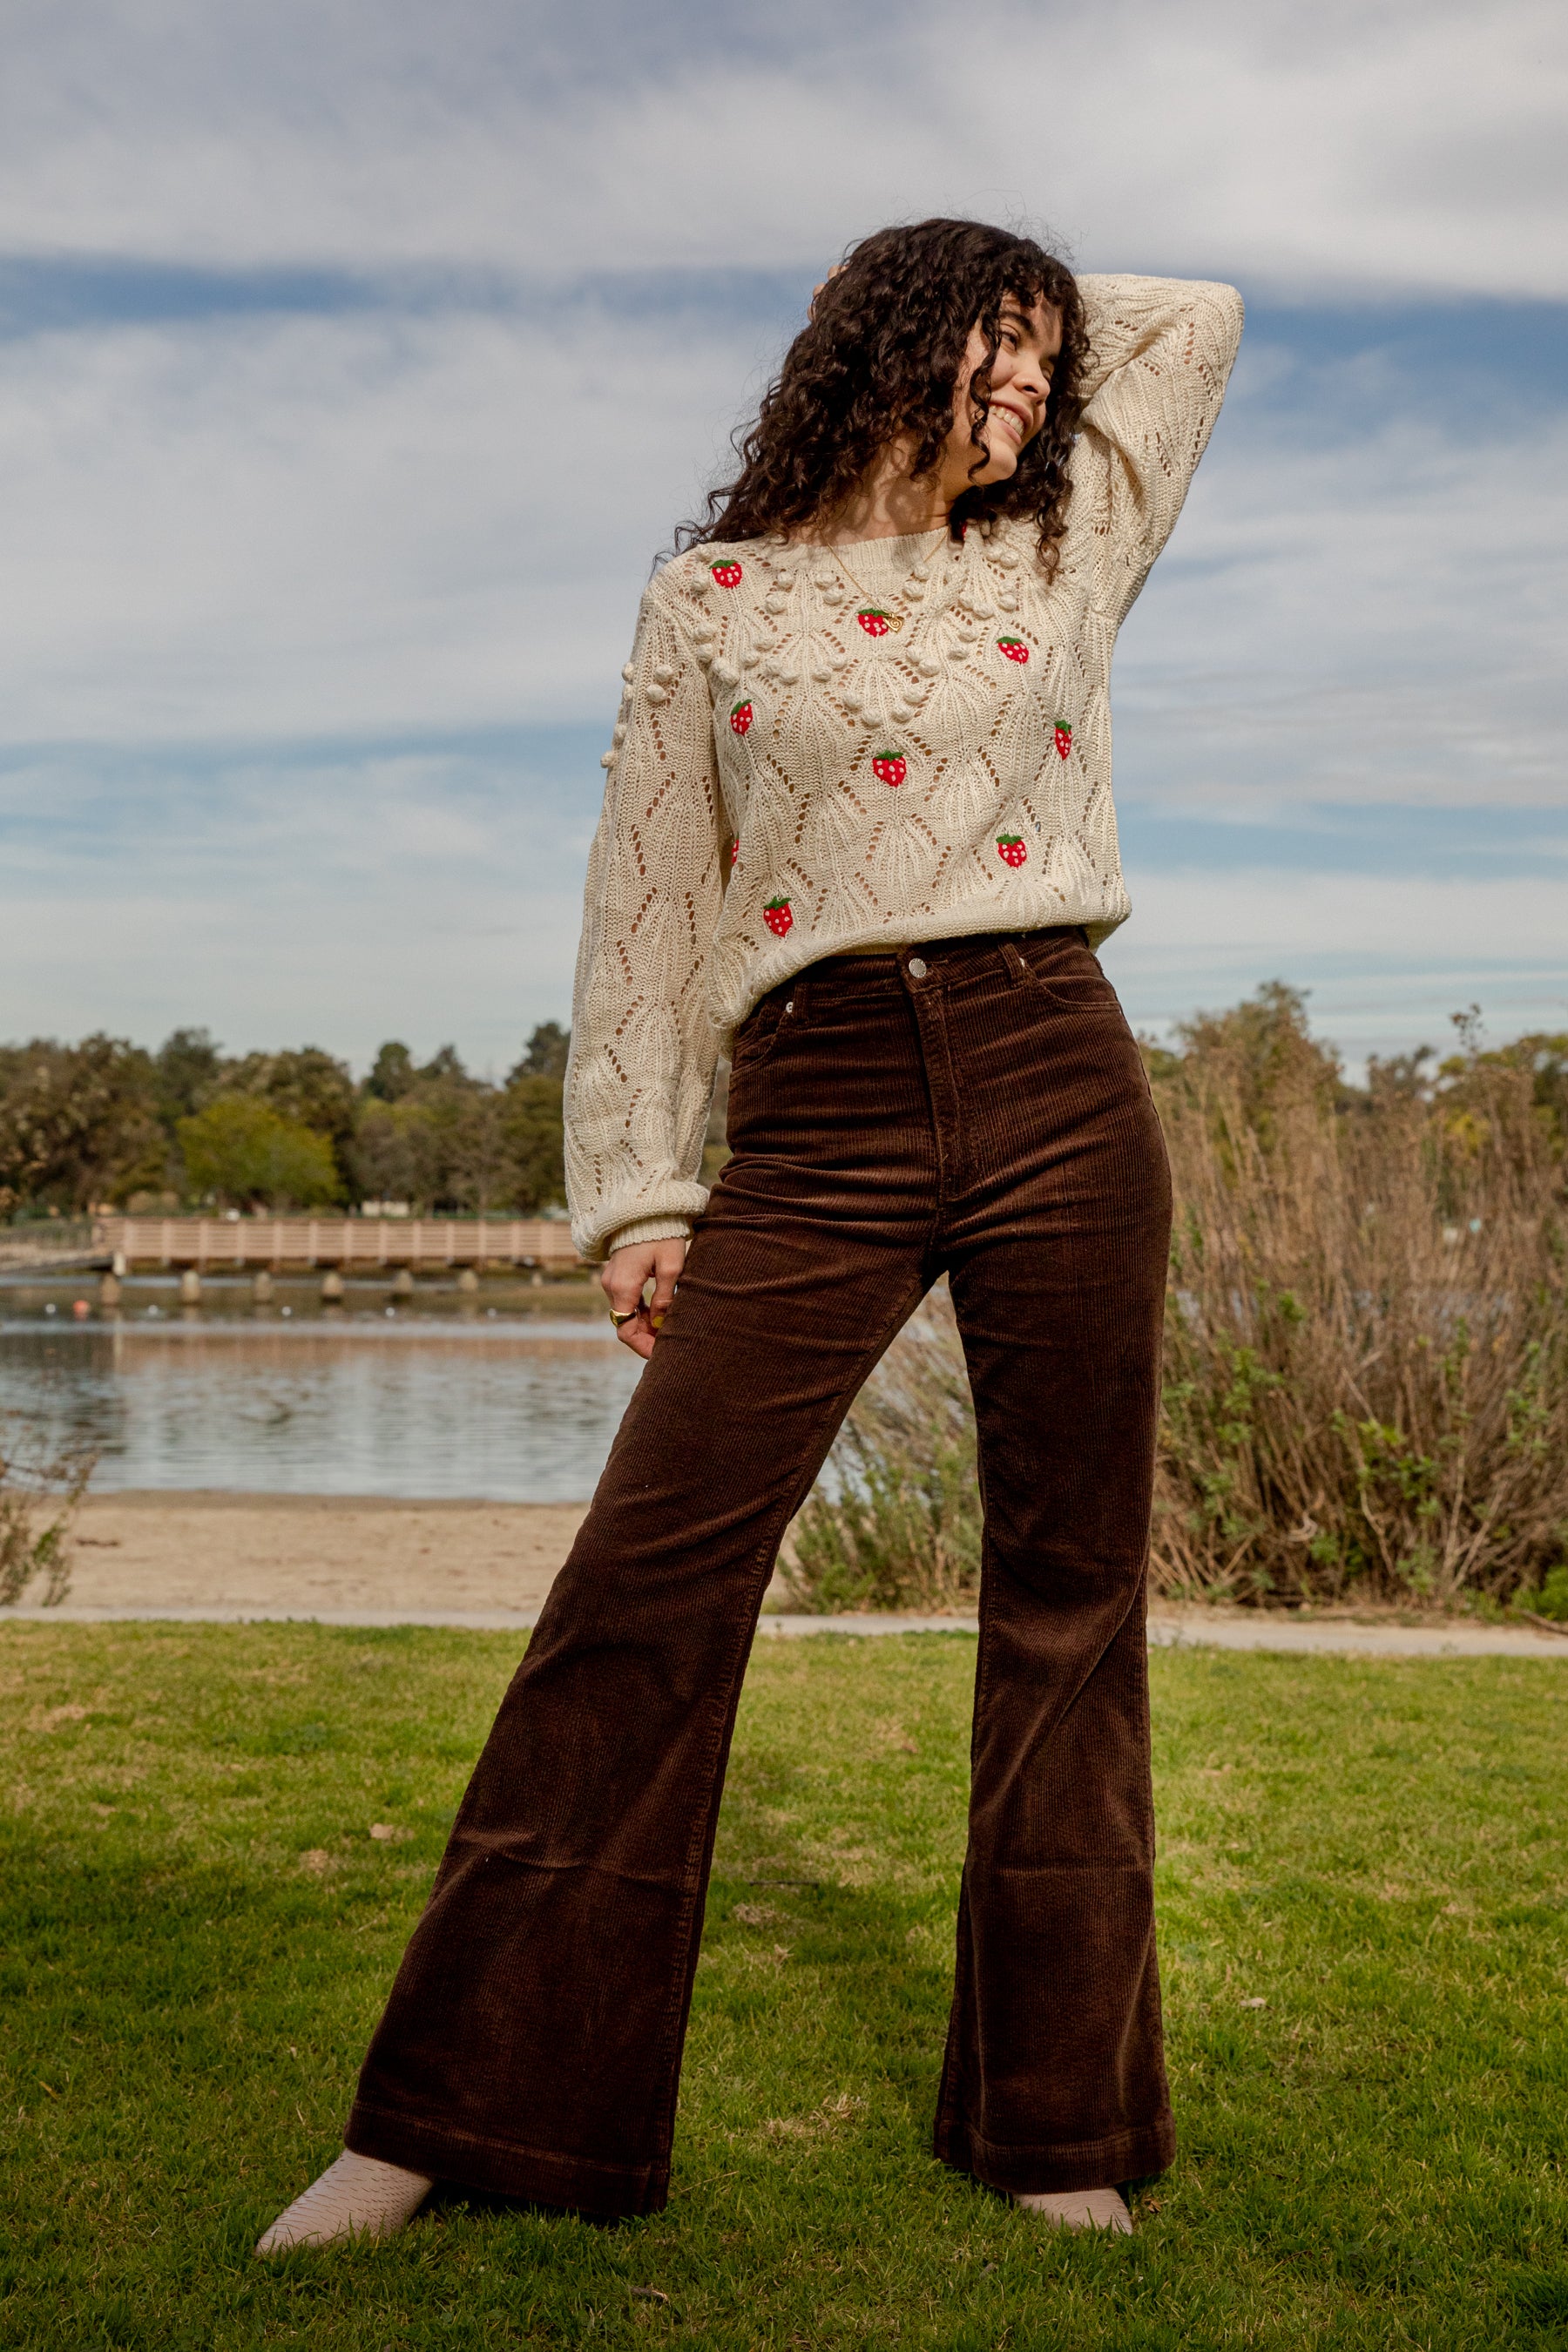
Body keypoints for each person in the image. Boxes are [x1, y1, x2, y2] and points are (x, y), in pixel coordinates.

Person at [258, 217, 1243, 2254]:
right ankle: (448, 2116)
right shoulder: (709, 604)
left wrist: (1030, 297)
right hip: (813, 1104)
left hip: (1060, 1065)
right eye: (993, 351)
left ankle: (1057, 2123)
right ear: (886, 344)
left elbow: (1198, 321)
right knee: (641, 1592)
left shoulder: (1060, 551)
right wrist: (637, 1187)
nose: (1036, 392)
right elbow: (643, 901)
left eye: (1051, 367)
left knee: (1070, 1602)